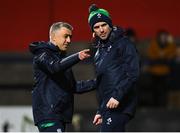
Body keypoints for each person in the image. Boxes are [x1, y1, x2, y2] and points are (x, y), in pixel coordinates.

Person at [29, 22, 96, 132]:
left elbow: (73, 87)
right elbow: (55, 67)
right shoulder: (42, 54)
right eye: (66, 36)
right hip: (49, 114)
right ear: (53, 37)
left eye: (70, 37)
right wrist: (77, 56)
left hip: (58, 115)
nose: (69, 40)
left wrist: (100, 81)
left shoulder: (61, 59)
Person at [88, 4, 140, 132]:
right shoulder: (98, 53)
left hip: (122, 104)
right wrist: (101, 110)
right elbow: (104, 84)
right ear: (93, 31)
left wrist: (117, 96)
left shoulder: (124, 43)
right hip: (109, 107)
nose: (101, 30)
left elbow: (133, 73)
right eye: (96, 27)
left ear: (110, 25)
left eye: (104, 25)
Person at [146, 30, 176, 107]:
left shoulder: (171, 45)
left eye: (165, 37)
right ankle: (155, 105)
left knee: (164, 90)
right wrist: (163, 59)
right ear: (158, 38)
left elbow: (171, 58)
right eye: (162, 37)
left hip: (166, 72)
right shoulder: (153, 45)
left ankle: (163, 105)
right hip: (154, 72)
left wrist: (160, 59)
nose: (163, 38)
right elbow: (151, 58)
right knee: (155, 89)